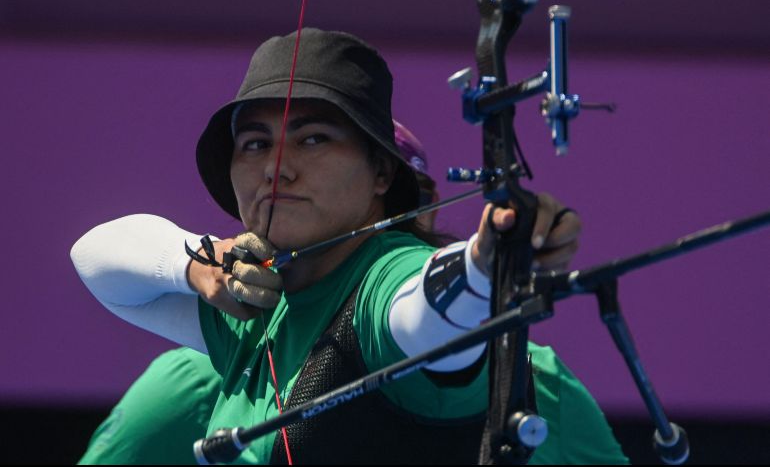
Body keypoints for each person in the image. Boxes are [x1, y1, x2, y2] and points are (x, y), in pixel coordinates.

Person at [71, 28, 627, 464]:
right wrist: (196, 264)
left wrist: (485, 265)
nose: (276, 168)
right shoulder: (254, 306)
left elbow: (419, 311)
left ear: (382, 173)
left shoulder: (383, 278)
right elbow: (94, 258)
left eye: (314, 138)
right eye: (255, 143)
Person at [76, 120, 444, 465]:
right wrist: (198, 264)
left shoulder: (411, 286)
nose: (405, 215)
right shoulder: (204, 370)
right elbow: (94, 255)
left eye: (417, 197)